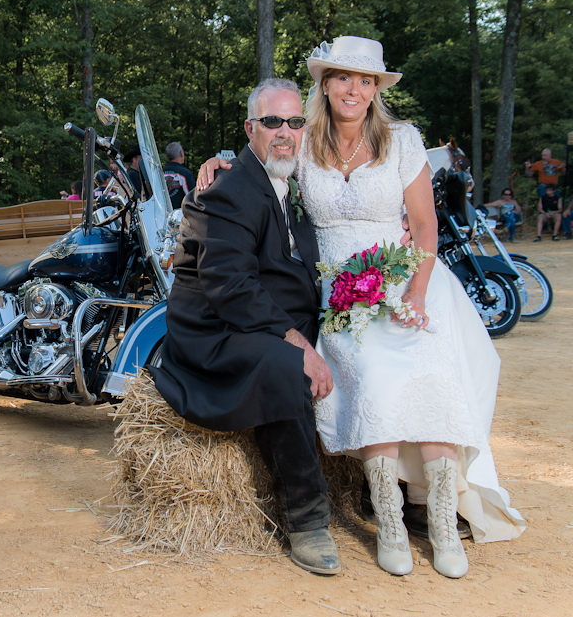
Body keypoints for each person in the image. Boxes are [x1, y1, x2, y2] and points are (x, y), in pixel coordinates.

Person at [197, 36, 525, 579]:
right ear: (325, 85)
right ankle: (390, 523)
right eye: (344, 78)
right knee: (373, 377)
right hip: (339, 290)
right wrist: (220, 160)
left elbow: (425, 226)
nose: (354, 89)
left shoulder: (403, 139)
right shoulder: (305, 140)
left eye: (366, 80)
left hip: (404, 276)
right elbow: (264, 149)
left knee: (432, 374)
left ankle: (441, 522)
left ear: (376, 90)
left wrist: (416, 292)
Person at [149, 78, 342, 576]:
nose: (285, 132)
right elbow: (231, 287)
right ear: (250, 128)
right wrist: (299, 345)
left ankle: (399, 493)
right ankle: (307, 519)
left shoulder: (288, 178)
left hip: (267, 312)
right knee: (285, 367)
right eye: (272, 122)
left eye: (294, 122)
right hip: (217, 328)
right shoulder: (229, 189)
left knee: (361, 348)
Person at [163, 142, 196, 209]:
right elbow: (192, 198)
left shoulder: (160, 173)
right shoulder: (185, 174)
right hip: (181, 213)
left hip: (162, 212)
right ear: (181, 153)